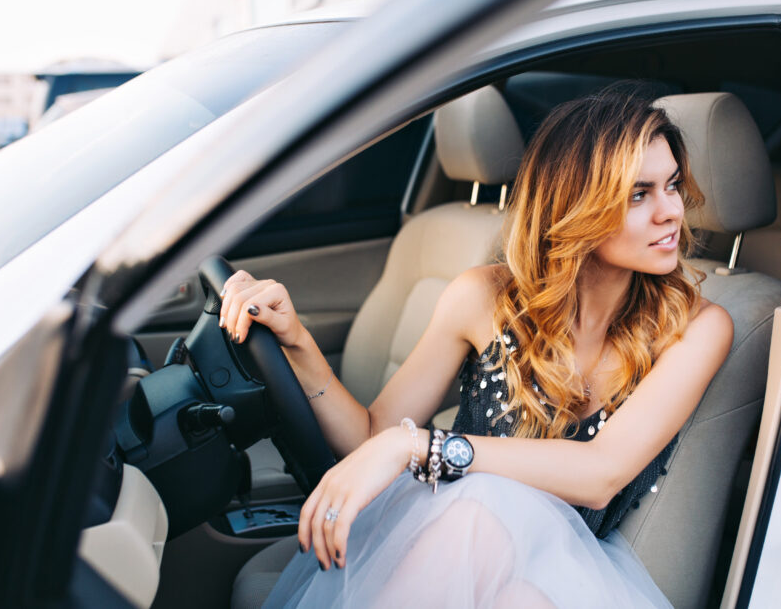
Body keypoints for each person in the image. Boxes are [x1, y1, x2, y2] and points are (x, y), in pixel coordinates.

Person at [218, 87, 734, 607]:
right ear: (575, 206)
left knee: (488, 533)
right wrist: (299, 343)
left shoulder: (696, 326)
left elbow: (601, 474)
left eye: (672, 185)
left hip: (559, 569)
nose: (671, 211)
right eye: (639, 194)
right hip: (447, 541)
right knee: (470, 517)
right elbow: (372, 437)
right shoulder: (483, 297)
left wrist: (419, 446)